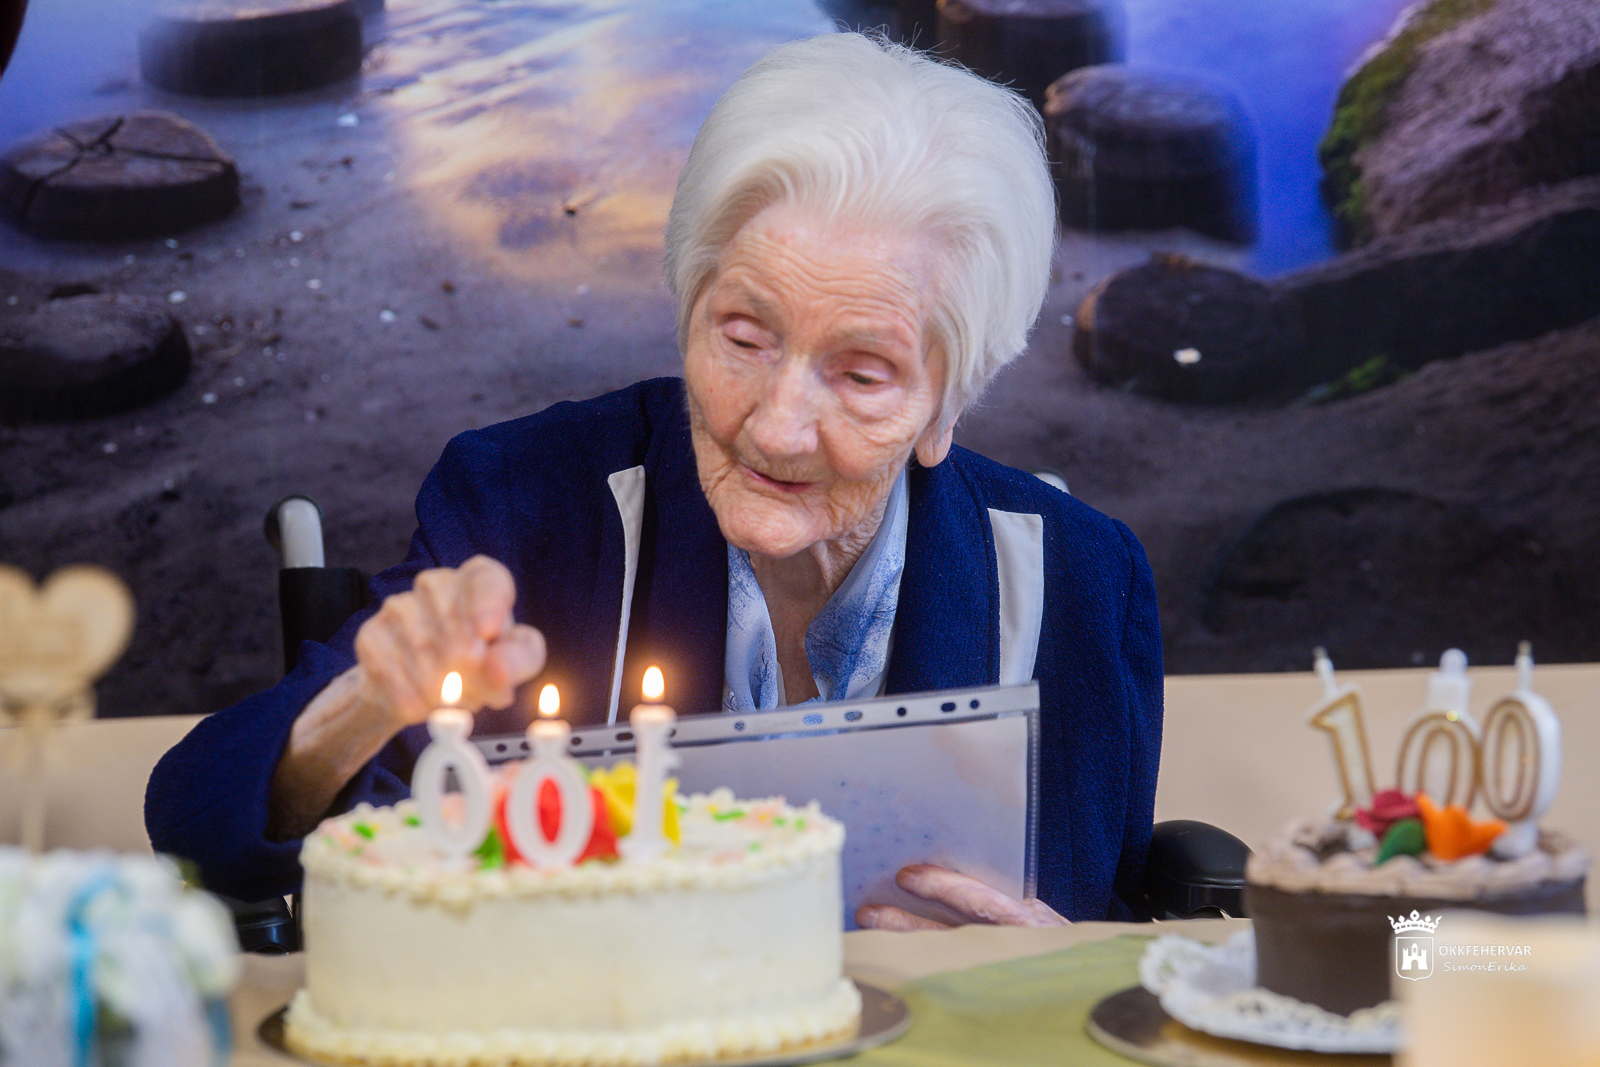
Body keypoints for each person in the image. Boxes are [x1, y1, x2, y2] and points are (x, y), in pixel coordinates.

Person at [145, 32, 1162, 926]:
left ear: (946, 405)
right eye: (743, 335)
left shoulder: (1080, 580)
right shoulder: (525, 502)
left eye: (860, 373)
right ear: (686, 309)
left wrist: (1044, 959)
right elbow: (201, 823)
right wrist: (362, 702)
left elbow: (1107, 932)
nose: (775, 424)